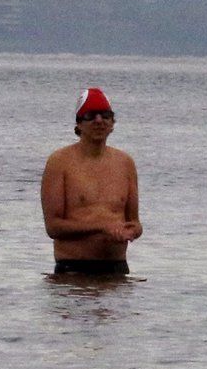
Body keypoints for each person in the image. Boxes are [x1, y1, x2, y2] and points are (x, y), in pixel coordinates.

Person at [41, 86, 140, 276]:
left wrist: (130, 232)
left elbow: (135, 223)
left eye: (105, 115)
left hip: (117, 271)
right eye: (91, 115)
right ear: (78, 124)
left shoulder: (125, 163)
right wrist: (101, 227)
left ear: (113, 123)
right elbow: (53, 227)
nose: (99, 121)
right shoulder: (59, 162)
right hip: (72, 272)